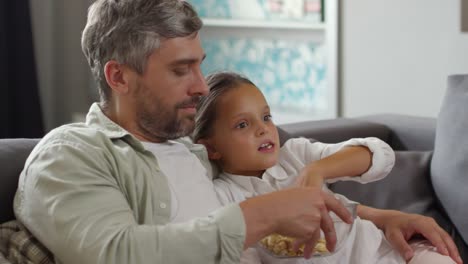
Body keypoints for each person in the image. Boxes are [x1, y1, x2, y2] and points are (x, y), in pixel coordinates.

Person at [11, 0, 461, 264]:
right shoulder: (72, 154)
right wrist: (264, 215)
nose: (201, 86)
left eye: (200, 65)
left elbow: (278, 183)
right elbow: (115, 253)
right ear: (119, 77)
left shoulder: (199, 148)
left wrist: (384, 218)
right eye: (180, 70)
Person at [192, 71, 462, 264]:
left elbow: (378, 155)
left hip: (386, 253)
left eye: (266, 117)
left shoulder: (297, 155)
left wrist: (317, 170)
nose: (263, 129)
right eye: (242, 124)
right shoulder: (223, 198)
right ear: (211, 148)